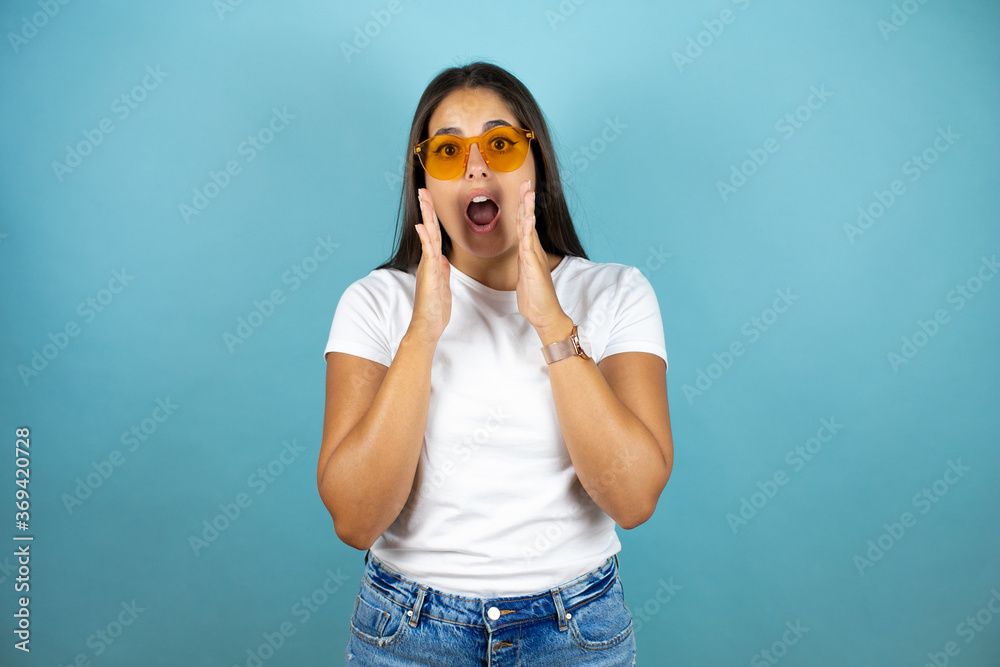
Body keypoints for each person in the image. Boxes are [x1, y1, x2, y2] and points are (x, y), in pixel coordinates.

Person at [318, 61, 673, 666]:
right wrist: (423, 331)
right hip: (409, 632)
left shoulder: (615, 293)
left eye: (501, 144)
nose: (477, 167)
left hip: (576, 631)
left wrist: (552, 325)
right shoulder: (375, 303)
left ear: (536, 164)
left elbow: (634, 498)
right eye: (450, 151)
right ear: (423, 181)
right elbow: (355, 518)